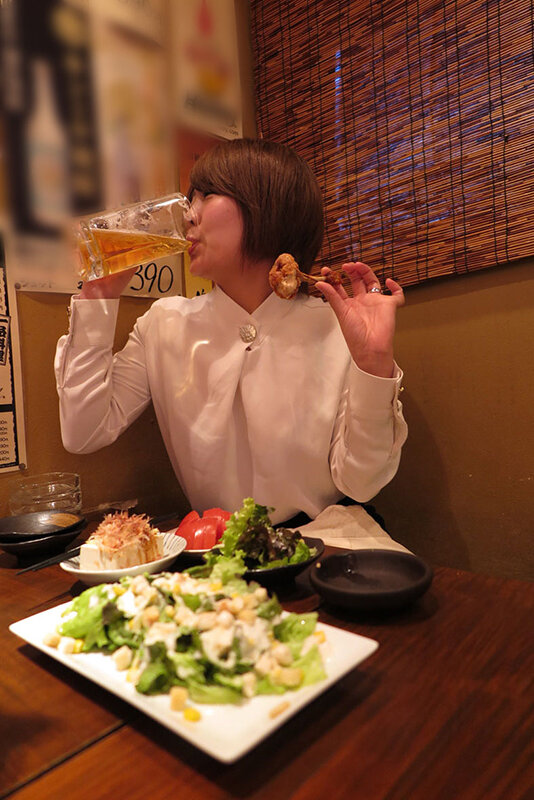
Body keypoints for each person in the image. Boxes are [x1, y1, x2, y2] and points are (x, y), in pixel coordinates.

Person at [55, 138, 407, 525]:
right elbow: (83, 432)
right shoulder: (164, 325)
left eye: (206, 196)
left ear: (267, 207)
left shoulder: (336, 328)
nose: (188, 216)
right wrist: (98, 296)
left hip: (324, 546)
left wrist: (373, 365)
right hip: (217, 550)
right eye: (191, 199)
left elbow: (362, 482)